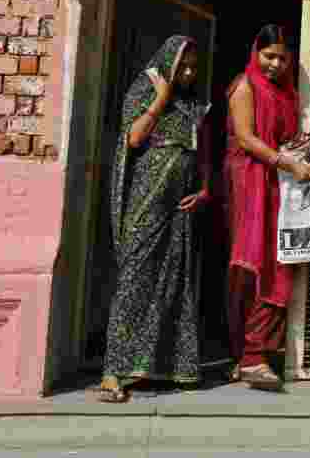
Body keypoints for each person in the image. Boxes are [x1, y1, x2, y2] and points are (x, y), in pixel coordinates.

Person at [99, 35, 211, 403]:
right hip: (146, 205)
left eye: (194, 67)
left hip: (180, 208)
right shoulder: (144, 90)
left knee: (174, 284)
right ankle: (112, 373)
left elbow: (201, 152)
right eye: (183, 67)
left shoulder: (193, 104)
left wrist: (204, 188)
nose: (190, 73)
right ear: (168, 64)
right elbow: (133, 138)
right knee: (134, 283)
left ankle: (165, 367)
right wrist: (161, 99)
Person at [225, 24, 310, 391]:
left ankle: (257, 355)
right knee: (252, 262)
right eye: (269, 56)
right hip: (248, 181)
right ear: (255, 54)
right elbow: (247, 139)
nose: (275, 64)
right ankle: (248, 356)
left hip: (278, 183)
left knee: (280, 262)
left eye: (282, 58)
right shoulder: (243, 87)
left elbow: (285, 139)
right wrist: (288, 163)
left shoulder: (286, 95)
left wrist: (305, 145)